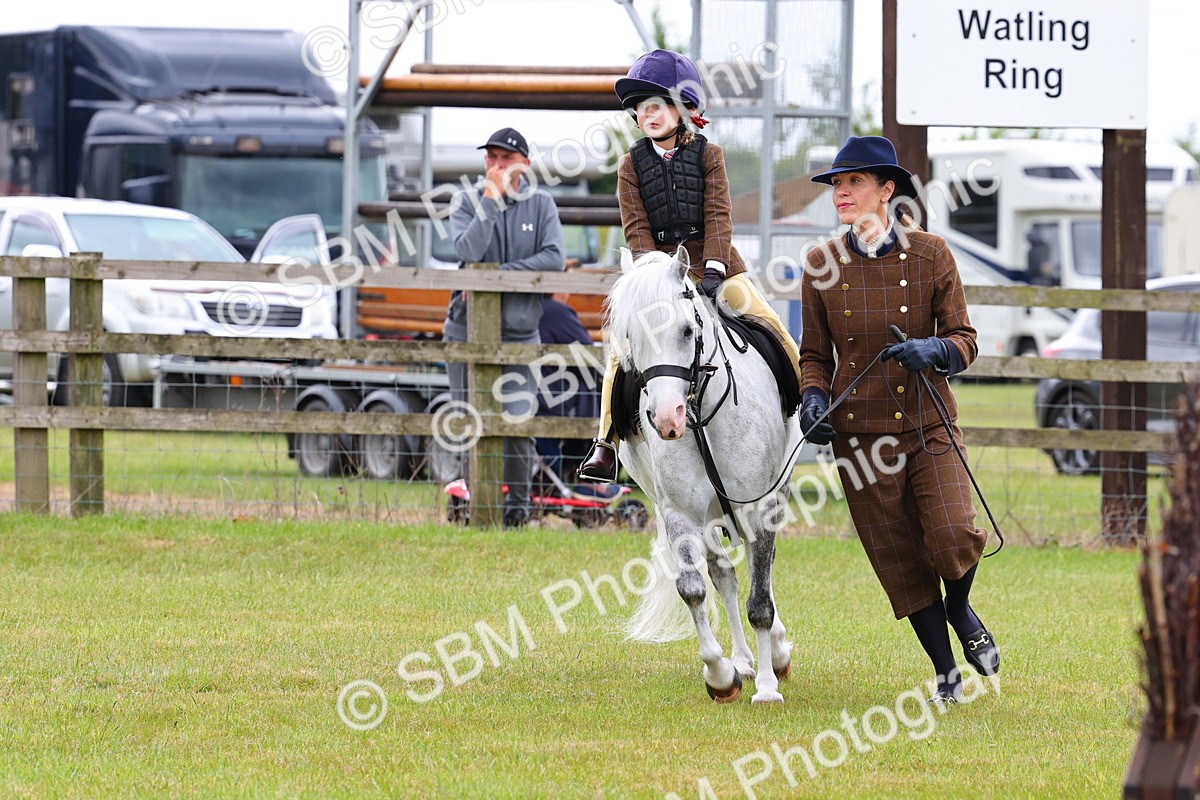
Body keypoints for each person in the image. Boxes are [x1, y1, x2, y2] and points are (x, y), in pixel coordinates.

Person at [800, 135, 1000, 705]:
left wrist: (934, 352)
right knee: (901, 561)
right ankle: (945, 674)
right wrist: (813, 401)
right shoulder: (820, 264)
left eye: (854, 182)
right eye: (837, 184)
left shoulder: (932, 253)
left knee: (952, 535)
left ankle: (962, 609)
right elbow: (814, 357)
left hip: (928, 423)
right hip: (860, 438)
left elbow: (965, 339)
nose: (842, 192)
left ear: (887, 190)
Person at [577, 49, 802, 482]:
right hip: (656, 273)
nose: (649, 114)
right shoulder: (629, 166)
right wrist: (651, 278)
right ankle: (605, 442)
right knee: (619, 353)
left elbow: (719, 214)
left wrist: (715, 266)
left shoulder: (709, 155)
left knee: (771, 323)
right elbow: (636, 228)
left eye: (658, 105)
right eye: (642, 108)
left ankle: (802, 409)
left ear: (683, 109)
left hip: (713, 263)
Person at [444, 127, 565, 528]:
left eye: (505, 159)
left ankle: (515, 514)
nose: (496, 166)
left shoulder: (542, 205)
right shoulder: (466, 201)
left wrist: (494, 277)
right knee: (470, 422)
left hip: (519, 334)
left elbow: (553, 260)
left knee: (517, 425)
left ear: (524, 165)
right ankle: (475, 510)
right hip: (467, 333)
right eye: (491, 158)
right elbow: (466, 251)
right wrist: (491, 202)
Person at [535, 292, 600, 483]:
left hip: (527, 396)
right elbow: (590, 353)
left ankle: (558, 480)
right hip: (552, 400)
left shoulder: (528, 309)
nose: (568, 293)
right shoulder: (556, 312)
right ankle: (585, 482)